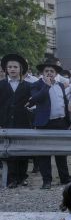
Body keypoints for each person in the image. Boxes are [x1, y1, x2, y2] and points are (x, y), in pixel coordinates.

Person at [29, 57, 71, 189]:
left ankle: (64, 178)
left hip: (60, 123)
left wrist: (67, 121)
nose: (49, 73)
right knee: (44, 154)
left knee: (61, 152)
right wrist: (46, 86)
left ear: (56, 73)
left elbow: (64, 103)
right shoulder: (36, 85)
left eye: (52, 71)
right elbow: (35, 99)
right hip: (44, 123)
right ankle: (47, 180)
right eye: (46, 71)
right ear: (42, 73)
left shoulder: (59, 85)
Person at [1, 53, 33, 187]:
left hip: (23, 122)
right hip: (5, 122)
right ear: (6, 69)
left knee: (23, 149)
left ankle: (23, 176)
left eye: (15, 67)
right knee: (9, 150)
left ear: (21, 69)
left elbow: (32, 103)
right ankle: (12, 178)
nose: (12, 69)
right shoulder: (1, 85)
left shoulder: (28, 86)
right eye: (10, 67)